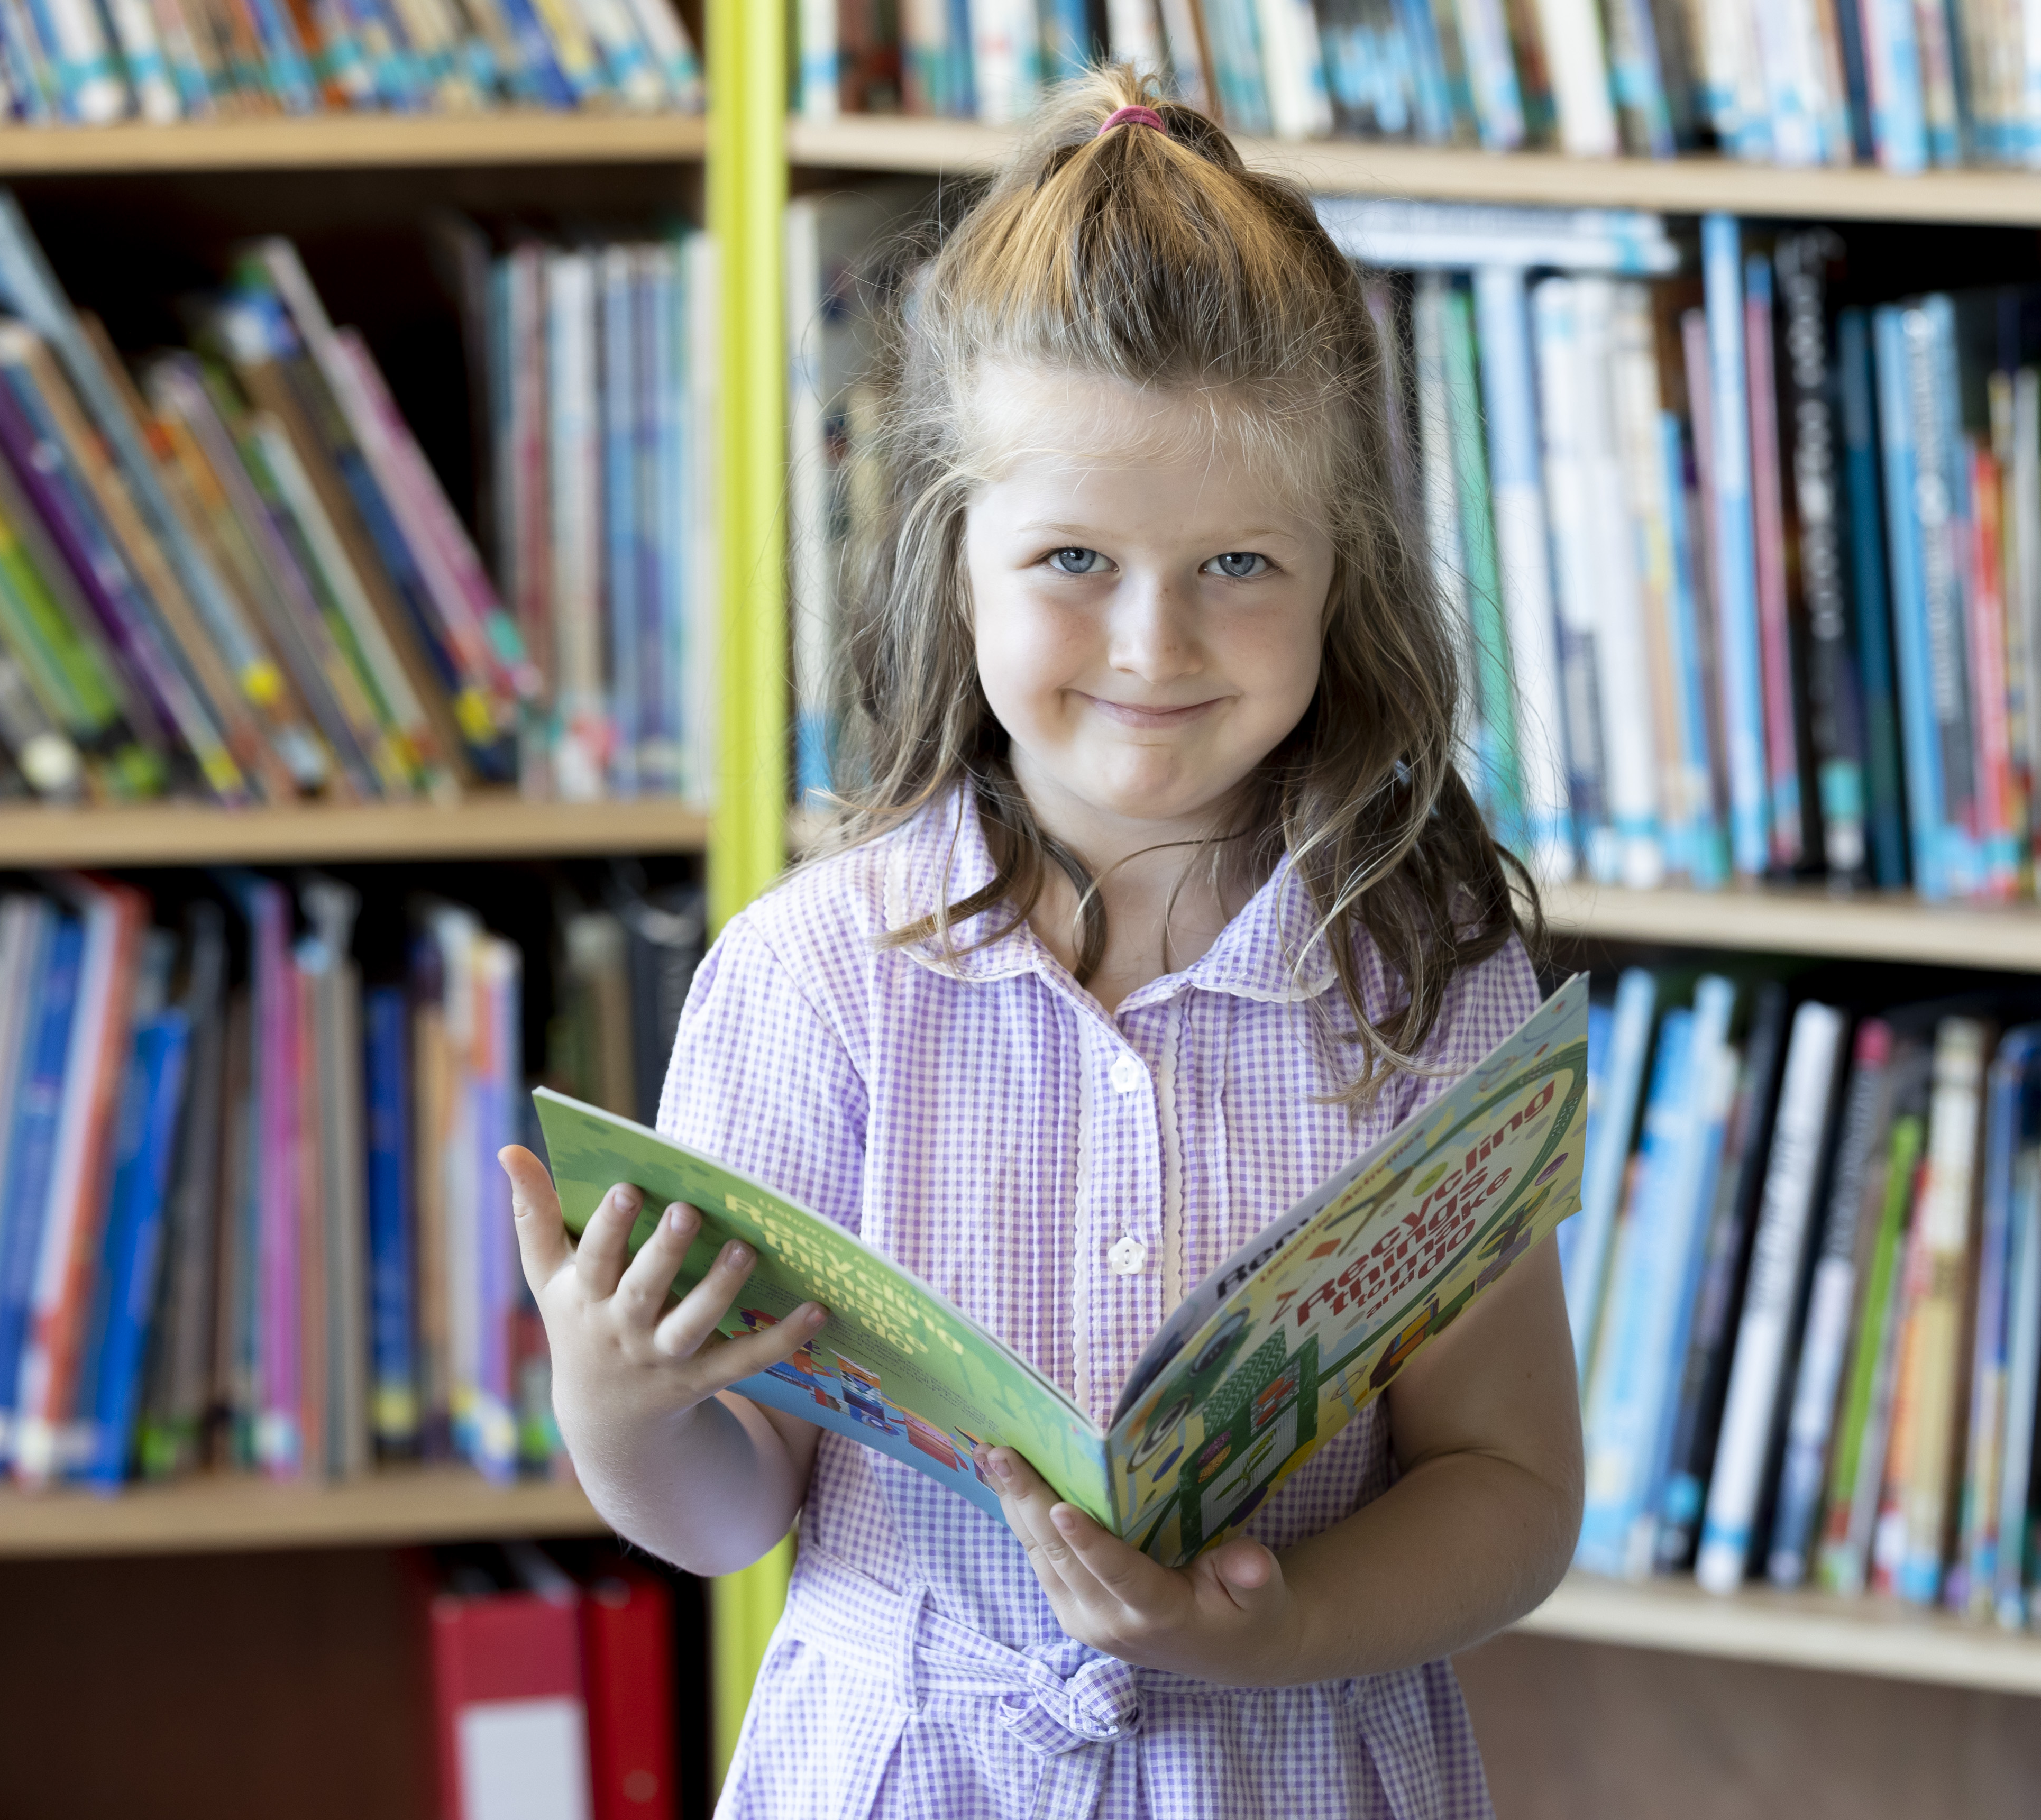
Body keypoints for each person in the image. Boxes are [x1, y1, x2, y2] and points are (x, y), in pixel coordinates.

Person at [497, 63, 1582, 1819]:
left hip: (1288, 1766)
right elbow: (728, 1506)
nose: (1152, 643)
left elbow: (1511, 1485)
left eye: (1238, 562)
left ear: (1340, 576)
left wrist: (1275, 1623)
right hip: (906, 1768)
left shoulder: (1420, 979)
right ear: (955, 559)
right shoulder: (810, 978)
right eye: (1073, 554)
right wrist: (619, 1405)